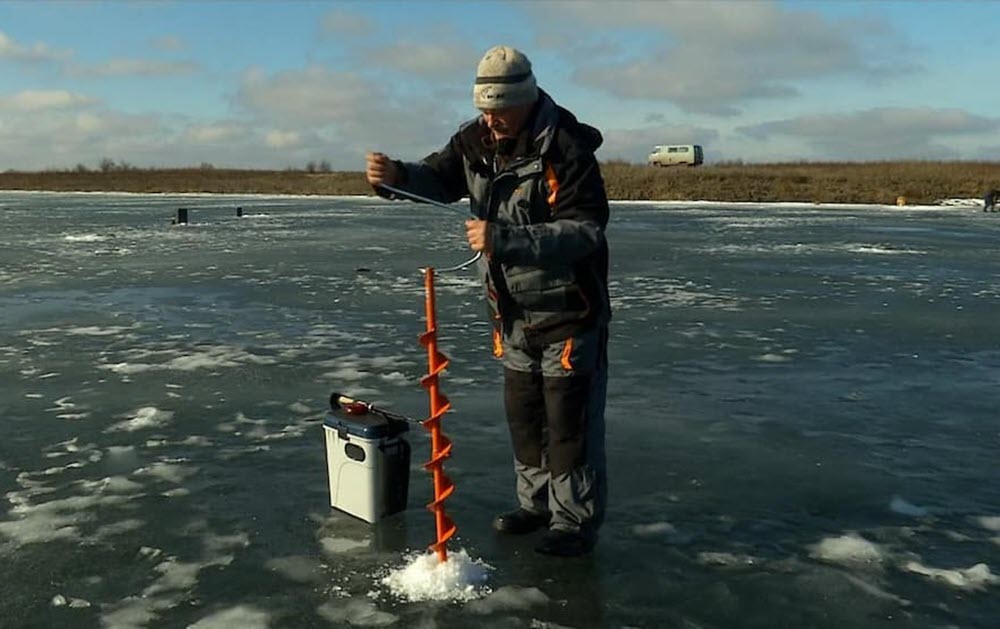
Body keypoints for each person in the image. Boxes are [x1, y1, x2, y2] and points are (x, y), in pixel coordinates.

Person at [365, 45, 610, 557]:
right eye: (483, 109)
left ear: (526, 100)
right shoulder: (475, 139)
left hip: (569, 310)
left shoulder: (565, 148)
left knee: (568, 421)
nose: (490, 120)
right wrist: (397, 179)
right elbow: (439, 179)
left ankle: (573, 522)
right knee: (524, 416)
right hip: (510, 312)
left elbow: (585, 230)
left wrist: (504, 239)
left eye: (499, 110)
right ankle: (535, 505)